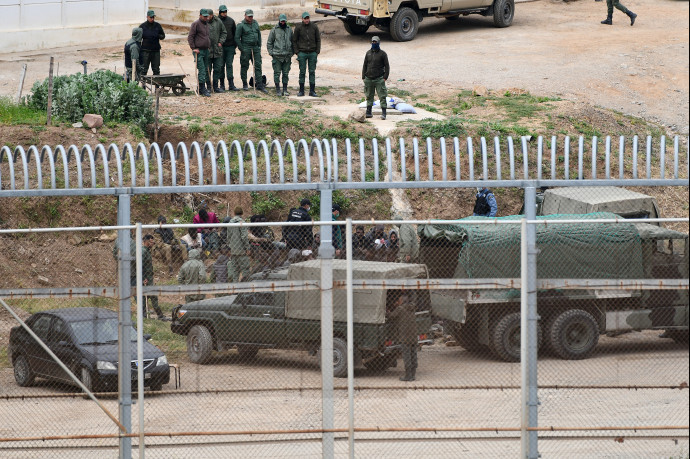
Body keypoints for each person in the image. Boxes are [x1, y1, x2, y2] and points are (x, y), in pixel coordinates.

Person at [134, 234, 169, 321]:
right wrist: (143, 278)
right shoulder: (143, 251)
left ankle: (153, 315)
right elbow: (139, 266)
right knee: (152, 296)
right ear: (147, 241)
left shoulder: (147, 251)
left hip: (148, 277)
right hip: (146, 278)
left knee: (151, 296)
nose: (153, 243)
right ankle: (154, 315)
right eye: (151, 241)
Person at [387, 292, 417, 381]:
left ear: (402, 301)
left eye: (399, 300)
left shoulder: (400, 309)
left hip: (405, 336)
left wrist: (388, 312)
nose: (398, 301)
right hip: (413, 336)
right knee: (413, 354)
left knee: (407, 356)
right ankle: (413, 375)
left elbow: (391, 316)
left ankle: (408, 376)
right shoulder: (412, 308)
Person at [235, 9, 267, 93]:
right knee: (244, 65)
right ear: (245, 15)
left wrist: (259, 46)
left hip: (255, 47)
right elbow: (237, 38)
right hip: (246, 48)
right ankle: (245, 83)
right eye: (249, 16)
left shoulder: (255, 23)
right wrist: (242, 48)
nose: (250, 18)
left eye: (251, 16)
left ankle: (259, 83)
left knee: (258, 65)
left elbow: (259, 35)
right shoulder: (241, 25)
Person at [292, 12, 320, 97]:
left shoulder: (314, 27)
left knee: (312, 71)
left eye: (308, 18)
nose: (306, 20)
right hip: (302, 53)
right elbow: (294, 40)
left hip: (312, 53)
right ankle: (301, 91)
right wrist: (297, 52)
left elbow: (318, 39)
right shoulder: (298, 28)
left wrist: (317, 52)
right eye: (305, 18)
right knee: (302, 72)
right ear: (302, 19)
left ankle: (312, 90)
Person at [362, 35, 390, 120]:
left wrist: (385, 77)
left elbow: (387, 66)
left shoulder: (383, 54)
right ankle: (369, 112)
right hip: (368, 78)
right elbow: (365, 65)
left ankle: (384, 113)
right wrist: (363, 76)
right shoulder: (368, 53)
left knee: (382, 96)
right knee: (369, 95)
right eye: (373, 42)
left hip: (379, 79)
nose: (374, 43)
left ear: (378, 43)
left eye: (375, 42)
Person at [267, 14, 294, 96]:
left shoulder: (289, 30)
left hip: (287, 56)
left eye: (284, 21)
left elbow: (293, 41)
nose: (283, 23)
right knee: (277, 73)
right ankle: (278, 89)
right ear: (279, 20)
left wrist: (291, 53)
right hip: (277, 56)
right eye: (281, 21)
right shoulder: (274, 30)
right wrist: (271, 53)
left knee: (285, 73)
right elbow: (269, 43)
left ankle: (285, 89)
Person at [188, 9, 212, 97]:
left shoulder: (207, 25)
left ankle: (200, 88)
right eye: (204, 16)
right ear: (200, 15)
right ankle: (202, 87)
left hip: (206, 50)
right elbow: (190, 37)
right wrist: (193, 48)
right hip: (199, 50)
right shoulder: (196, 24)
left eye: (207, 16)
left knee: (206, 69)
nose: (206, 18)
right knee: (201, 69)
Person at [218, 5, 240, 91]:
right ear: (220, 12)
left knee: (229, 65)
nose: (224, 13)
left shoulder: (231, 21)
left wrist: (234, 45)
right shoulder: (217, 21)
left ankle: (231, 84)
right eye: (223, 12)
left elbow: (235, 33)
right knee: (221, 66)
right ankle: (222, 85)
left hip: (230, 46)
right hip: (221, 47)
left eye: (225, 12)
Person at [227, 207, 251, 282]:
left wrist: (230, 248)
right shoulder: (242, 222)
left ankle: (235, 287)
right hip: (242, 250)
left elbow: (228, 237)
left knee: (235, 271)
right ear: (242, 213)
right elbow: (244, 237)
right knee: (245, 269)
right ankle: (245, 286)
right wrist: (247, 248)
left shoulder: (230, 223)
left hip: (233, 250)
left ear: (234, 213)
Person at [139, 10, 165, 77]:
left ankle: (157, 87)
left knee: (156, 70)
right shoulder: (142, 26)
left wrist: (158, 36)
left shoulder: (158, 26)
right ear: (147, 17)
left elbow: (163, 36)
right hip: (145, 51)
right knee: (144, 70)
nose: (152, 19)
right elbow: (138, 39)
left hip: (155, 51)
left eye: (153, 17)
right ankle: (143, 86)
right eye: (151, 17)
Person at [207, 9, 228, 93]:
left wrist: (220, 42)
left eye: (209, 15)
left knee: (217, 68)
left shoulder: (218, 21)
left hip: (217, 49)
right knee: (207, 69)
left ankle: (216, 86)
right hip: (207, 50)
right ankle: (208, 87)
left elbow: (224, 32)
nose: (207, 17)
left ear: (212, 15)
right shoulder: (203, 22)